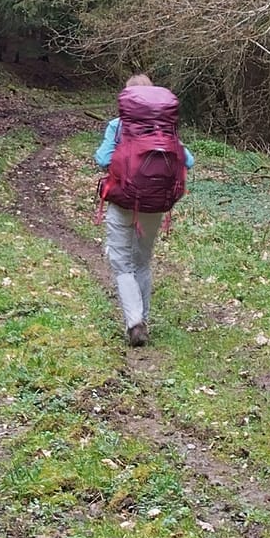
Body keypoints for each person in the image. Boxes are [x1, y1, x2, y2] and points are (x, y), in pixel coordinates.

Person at [95, 71, 192, 346]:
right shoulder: (165, 128)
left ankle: (134, 322)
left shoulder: (118, 125)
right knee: (142, 262)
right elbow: (189, 160)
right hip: (155, 204)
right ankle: (144, 318)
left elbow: (102, 158)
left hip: (123, 201)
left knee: (122, 264)